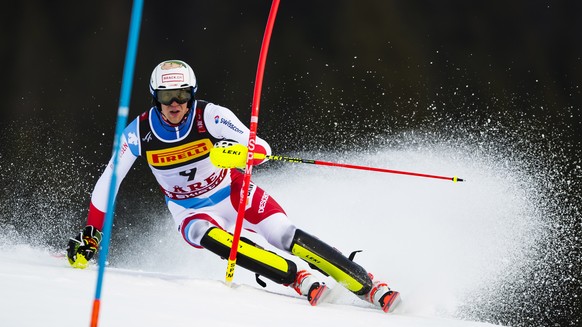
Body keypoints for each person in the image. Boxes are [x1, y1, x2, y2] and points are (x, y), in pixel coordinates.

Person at [66, 59, 400, 312]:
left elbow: (263, 149)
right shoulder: (138, 133)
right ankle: (297, 279)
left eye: (182, 95)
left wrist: (240, 152)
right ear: (155, 97)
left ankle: (368, 286)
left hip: (232, 192)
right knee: (209, 238)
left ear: (191, 94)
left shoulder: (210, 115)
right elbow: (110, 181)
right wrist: (93, 232)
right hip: (190, 210)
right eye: (167, 96)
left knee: (284, 233)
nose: (175, 104)